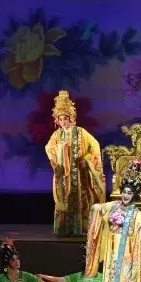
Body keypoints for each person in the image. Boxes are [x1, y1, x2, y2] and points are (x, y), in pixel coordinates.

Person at [84, 159, 141, 282]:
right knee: (109, 280)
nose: (126, 196)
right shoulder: (113, 206)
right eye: (124, 192)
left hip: (127, 255)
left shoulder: (136, 213)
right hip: (111, 252)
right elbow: (100, 209)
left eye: (129, 193)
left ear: (134, 195)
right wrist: (96, 208)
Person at [45, 90, 106, 237]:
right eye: (60, 119)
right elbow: (49, 148)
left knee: (81, 198)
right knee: (64, 199)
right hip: (64, 177)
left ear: (71, 118)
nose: (63, 122)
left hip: (79, 175)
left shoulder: (81, 132)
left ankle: (81, 228)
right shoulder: (57, 135)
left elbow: (95, 146)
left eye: (65, 118)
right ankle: (64, 228)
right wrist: (59, 152)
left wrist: (87, 159)